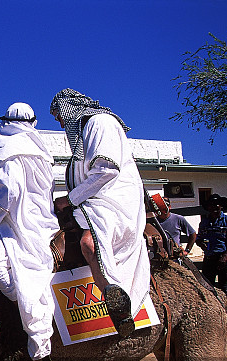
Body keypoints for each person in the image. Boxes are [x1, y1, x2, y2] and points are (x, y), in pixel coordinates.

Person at [51, 88, 150, 338]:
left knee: (89, 243)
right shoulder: (84, 135)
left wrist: (69, 199)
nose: (60, 123)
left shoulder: (99, 123)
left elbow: (106, 172)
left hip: (112, 201)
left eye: (59, 116)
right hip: (92, 202)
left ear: (69, 108)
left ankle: (117, 305)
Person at [0, 102, 60, 361]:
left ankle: (23, 312)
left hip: (16, 224)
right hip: (44, 224)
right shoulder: (41, 151)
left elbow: (7, 195)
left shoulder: (10, 151)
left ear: (5, 122)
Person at [197, 193, 227, 297]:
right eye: (211, 205)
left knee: (224, 288)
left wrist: (225, 255)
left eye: (216, 204)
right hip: (209, 258)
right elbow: (199, 238)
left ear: (221, 206)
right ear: (208, 207)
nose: (214, 207)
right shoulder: (204, 222)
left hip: (223, 258)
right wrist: (201, 244)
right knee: (207, 287)